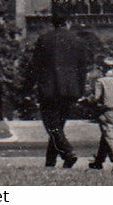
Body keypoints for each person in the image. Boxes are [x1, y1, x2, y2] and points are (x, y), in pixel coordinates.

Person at [31, 13, 88, 168]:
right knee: (57, 126)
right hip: (70, 90)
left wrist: (30, 88)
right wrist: (81, 91)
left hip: (48, 89)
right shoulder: (78, 41)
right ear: (68, 22)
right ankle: (50, 161)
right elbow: (83, 69)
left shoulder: (44, 39)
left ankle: (67, 152)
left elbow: (35, 66)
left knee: (52, 125)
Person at [86, 56, 113, 172]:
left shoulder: (100, 81)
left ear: (101, 68)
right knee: (106, 137)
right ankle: (98, 162)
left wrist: (86, 100)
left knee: (109, 137)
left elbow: (96, 98)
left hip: (105, 112)